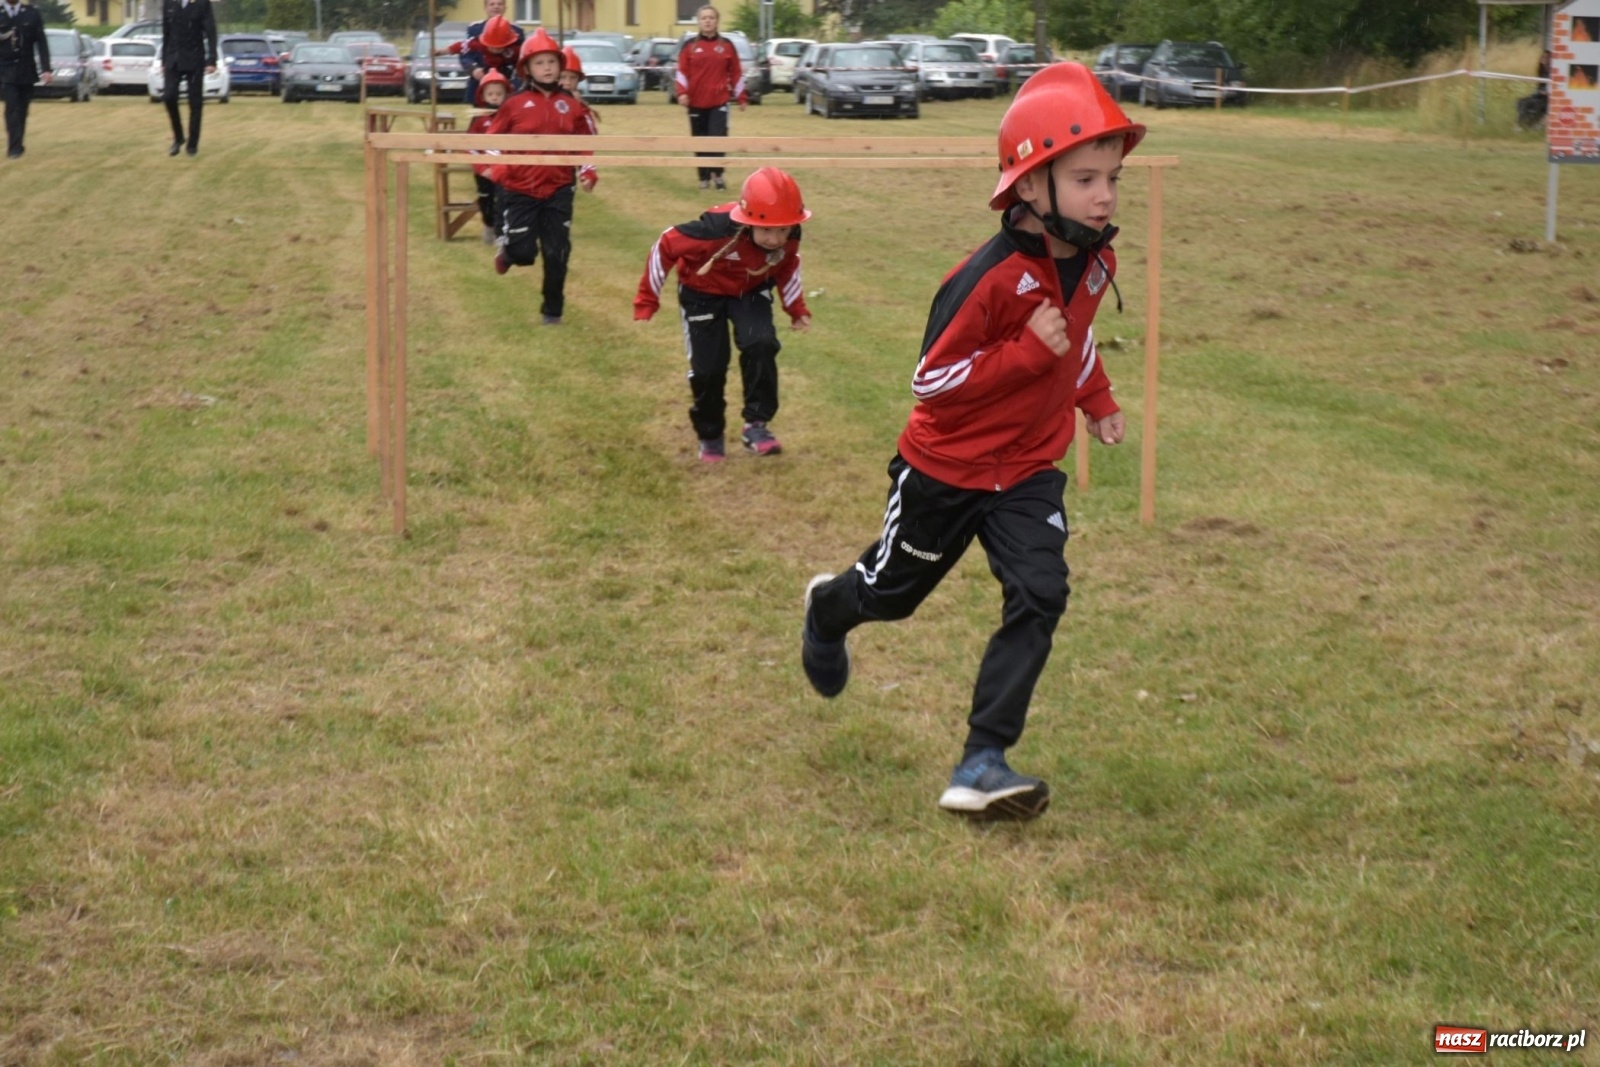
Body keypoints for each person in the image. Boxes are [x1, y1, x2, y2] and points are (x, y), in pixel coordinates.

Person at [799, 64, 1144, 822]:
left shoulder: (1097, 261)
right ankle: (828, 608)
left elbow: (1077, 337)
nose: (1106, 197)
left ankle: (983, 759)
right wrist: (1024, 352)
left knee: (1042, 591)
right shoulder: (986, 279)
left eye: (1113, 178)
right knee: (892, 597)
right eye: (1086, 179)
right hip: (944, 471)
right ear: (1031, 186)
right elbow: (932, 380)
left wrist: (1096, 398)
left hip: (1026, 470)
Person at [634, 167, 812, 463]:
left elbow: (788, 266)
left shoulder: (790, 234)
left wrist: (796, 309)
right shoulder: (713, 231)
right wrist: (646, 300)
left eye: (783, 230)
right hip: (701, 294)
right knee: (709, 368)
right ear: (748, 221)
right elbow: (665, 244)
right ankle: (710, 434)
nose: (775, 239)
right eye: (767, 230)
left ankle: (756, 425)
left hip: (750, 292)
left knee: (761, 344)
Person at [484, 28, 598, 326]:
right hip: (520, 189)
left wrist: (588, 171)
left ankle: (552, 312)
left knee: (557, 252)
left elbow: (585, 144)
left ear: (560, 66)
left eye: (551, 62)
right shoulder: (513, 104)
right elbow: (492, 140)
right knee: (524, 252)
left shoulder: (573, 106)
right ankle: (509, 253)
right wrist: (498, 167)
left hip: (559, 189)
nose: (547, 68)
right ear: (527, 68)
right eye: (539, 63)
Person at [675, 5, 745, 191]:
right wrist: (682, 92)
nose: (707, 21)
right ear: (699, 22)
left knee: (718, 138)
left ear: (717, 21)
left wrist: (741, 96)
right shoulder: (689, 45)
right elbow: (681, 72)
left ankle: (718, 175)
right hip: (696, 102)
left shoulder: (727, 45)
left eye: (711, 18)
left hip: (719, 101)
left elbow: (736, 72)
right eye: (704, 18)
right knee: (699, 139)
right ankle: (704, 177)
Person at [160, 0, 217, 157]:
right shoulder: (169, 3)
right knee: (169, 97)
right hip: (173, 58)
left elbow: (211, 31)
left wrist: (212, 59)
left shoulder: (202, 3)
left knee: (195, 102)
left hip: (194, 57)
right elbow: (166, 32)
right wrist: (163, 61)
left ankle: (192, 144)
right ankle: (178, 137)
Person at [0, 0, 50, 160]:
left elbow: (41, 42)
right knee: (12, 108)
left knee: (22, 110)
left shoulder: (31, 13)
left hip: (26, 70)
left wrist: (46, 69)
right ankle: (14, 149)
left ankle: (18, 144)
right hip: (5, 71)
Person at [467, 68, 510, 246]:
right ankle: (488, 225)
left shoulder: (511, 116)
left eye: (499, 94)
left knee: (505, 200)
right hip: (484, 170)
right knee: (486, 200)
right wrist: (482, 169)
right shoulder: (478, 118)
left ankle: (502, 233)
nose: (494, 97)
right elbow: (470, 147)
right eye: (490, 94)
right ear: (483, 95)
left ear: (506, 95)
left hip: (506, 169)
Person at [454, 13, 522, 104]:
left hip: (509, 85)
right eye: (492, 5)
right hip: (479, 84)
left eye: (499, 4)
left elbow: (523, 59)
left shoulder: (517, 32)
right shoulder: (475, 30)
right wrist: (473, 68)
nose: (496, 7)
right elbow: (464, 53)